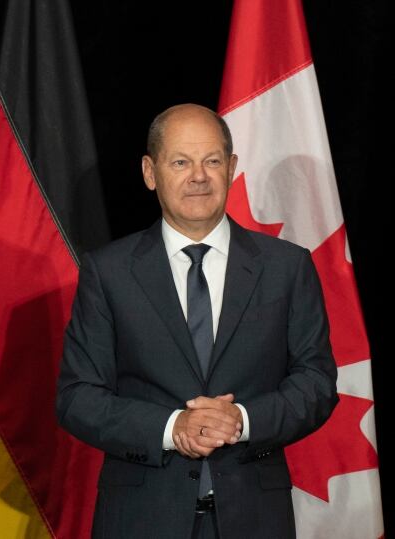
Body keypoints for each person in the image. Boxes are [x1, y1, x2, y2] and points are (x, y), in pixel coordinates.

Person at [56, 104, 337, 539]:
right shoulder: (107, 272)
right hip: (141, 519)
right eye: (181, 162)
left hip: (255, 519)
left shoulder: (287, 267)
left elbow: (317, 382)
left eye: (212, 161)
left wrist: (242, 419)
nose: (199, 176)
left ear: (232, 167)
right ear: (150, 173)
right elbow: (77, 397)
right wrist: (171, 428)